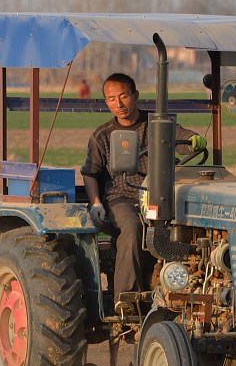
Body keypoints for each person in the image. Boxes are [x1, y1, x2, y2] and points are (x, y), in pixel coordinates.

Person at [81, 73, 206, 312]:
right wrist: (96, 203)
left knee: (185, 227)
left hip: (159, 195)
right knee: (132, 228)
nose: (119, 103)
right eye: (112, 99)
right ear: (106, 102)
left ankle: (184, 290)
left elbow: (180, 135)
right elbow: (90, 173)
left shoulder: (157, 126)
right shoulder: (102, 135)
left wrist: (193, 139)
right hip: (122, 198)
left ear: (135, 95)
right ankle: (127, 299)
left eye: (124, 96)